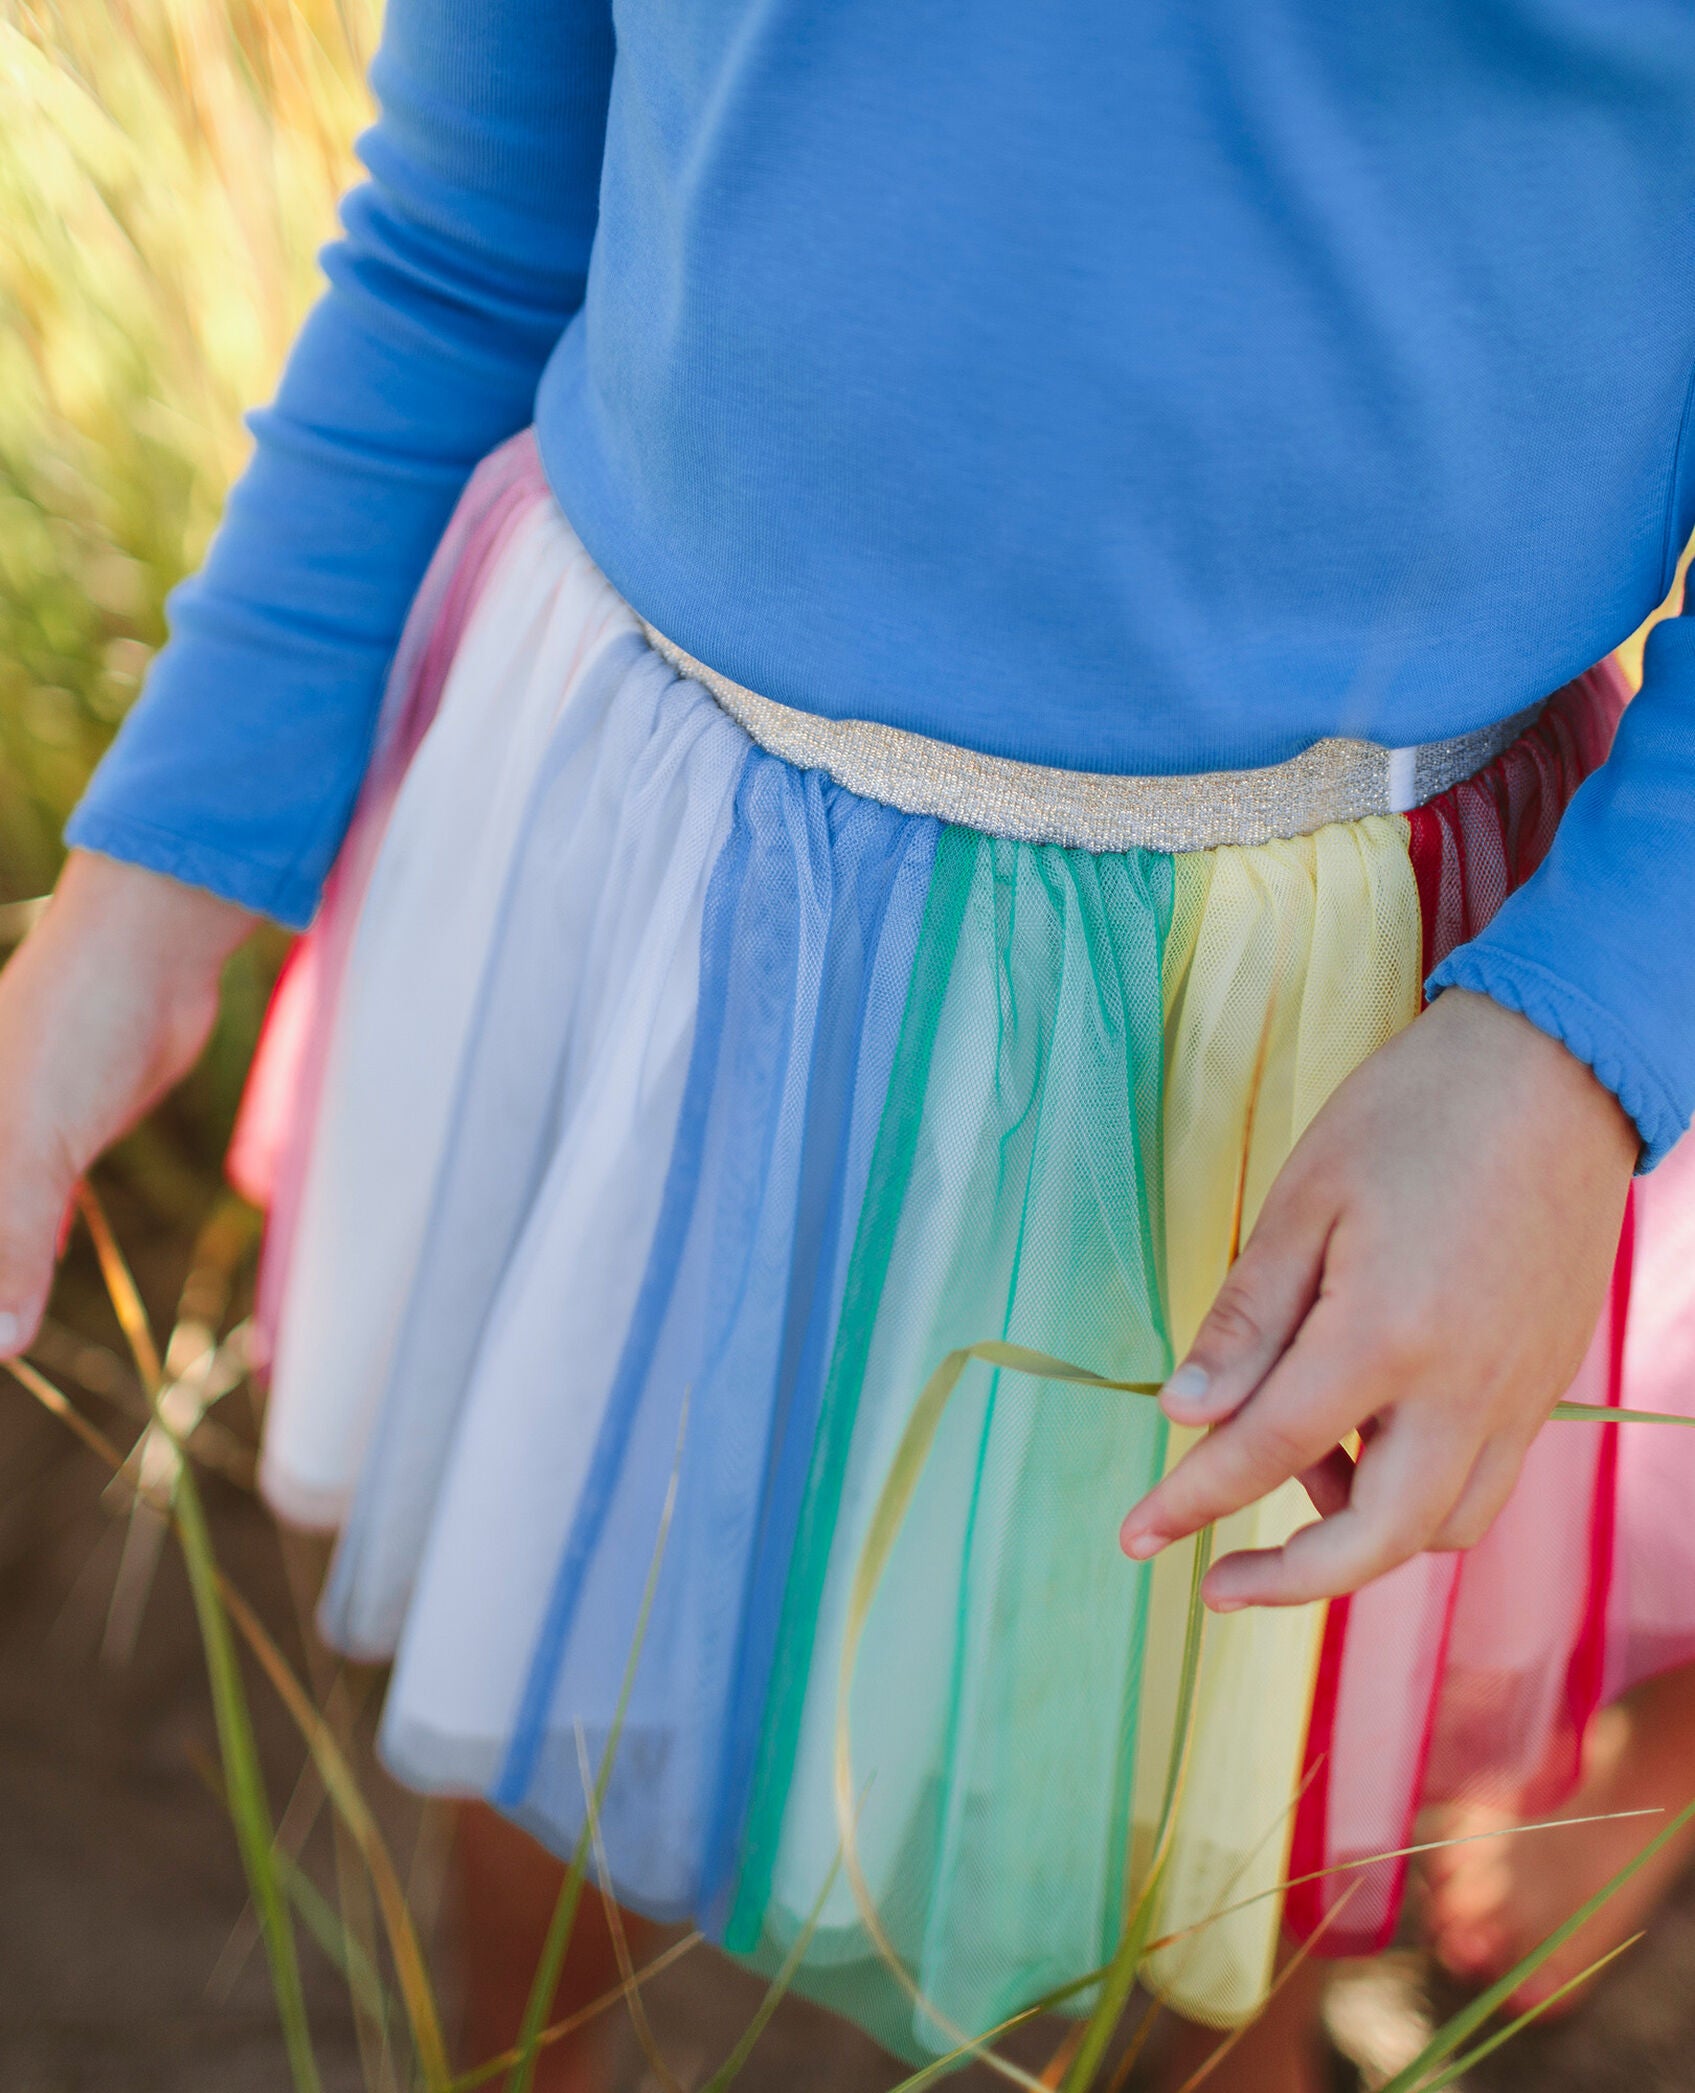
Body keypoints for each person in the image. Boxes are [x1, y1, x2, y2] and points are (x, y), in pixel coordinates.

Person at [6, 6, 1695, 2088]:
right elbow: (469, 231)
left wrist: (1567, 1047)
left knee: (1177, 1876)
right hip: (636, 871)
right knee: (561, 1682)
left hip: (1314, 1033)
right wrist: (142, 894)